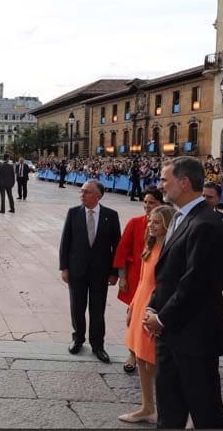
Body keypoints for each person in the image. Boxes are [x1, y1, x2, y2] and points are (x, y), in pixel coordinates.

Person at [143, 157, 223, 429]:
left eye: (164, 179)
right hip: (171, 333)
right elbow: (168, 274)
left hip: (194, 336)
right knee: (170, 409)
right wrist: (152, 307)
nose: (161, 185)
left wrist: (162, 317)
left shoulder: (205, 222)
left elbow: (196, 282)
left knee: (206, 411)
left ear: (184, 182)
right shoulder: (182, 217)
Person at [118, 205, 176, 425]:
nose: (151, 225)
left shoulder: (170, 249)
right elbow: (142, 280)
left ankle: (173, 410)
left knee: (155, 363)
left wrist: (158, 313)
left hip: (155, 308)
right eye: (150, 221)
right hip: (141, 304)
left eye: (157, 222)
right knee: (141, 359)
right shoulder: (149, 246)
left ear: (167, 224)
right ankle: (147, 407)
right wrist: (132, 306)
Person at [59, 179, 121, 363]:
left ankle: (98, 344)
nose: (82, 195)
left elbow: (116, 246)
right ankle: (78, 339)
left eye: (86, 192)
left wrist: (114, 272)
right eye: (82, 191)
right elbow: (65, 242)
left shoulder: (111, 215)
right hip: (77, 269)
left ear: (98, 196)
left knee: (97, 309)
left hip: (100, 272)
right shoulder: (73, 213)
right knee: (77, 307)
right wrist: (64, 268)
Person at [113, 186, 163, 373]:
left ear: (161, 204)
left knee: (152, 321)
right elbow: (122, 251)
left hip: (157, 282)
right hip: (136, 279)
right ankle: (132, 353)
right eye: (145, 202)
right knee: (133, 317)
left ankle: (149, 355)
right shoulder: (135, 223)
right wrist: (122, 277)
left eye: (152, 202)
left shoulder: (168, 226)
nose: (147, 206)